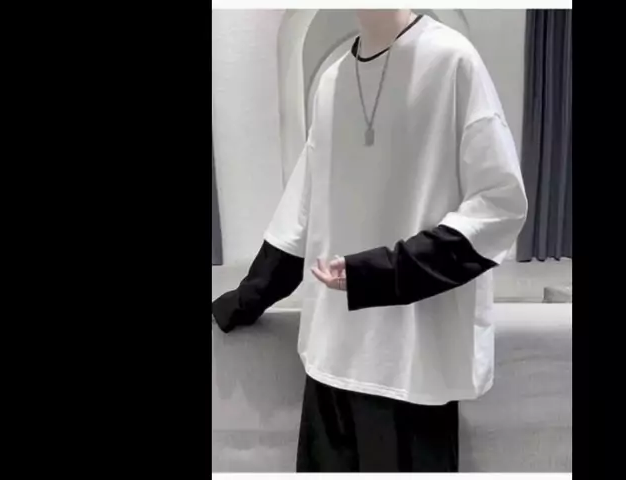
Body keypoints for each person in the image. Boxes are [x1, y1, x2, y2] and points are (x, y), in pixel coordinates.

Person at [212, 9, 527, 472]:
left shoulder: (452, 61)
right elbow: (300, 215)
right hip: (329, 361)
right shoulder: (332, 83)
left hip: (413, 367)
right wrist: (240, 303)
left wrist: (384, 272)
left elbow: (500, 205)